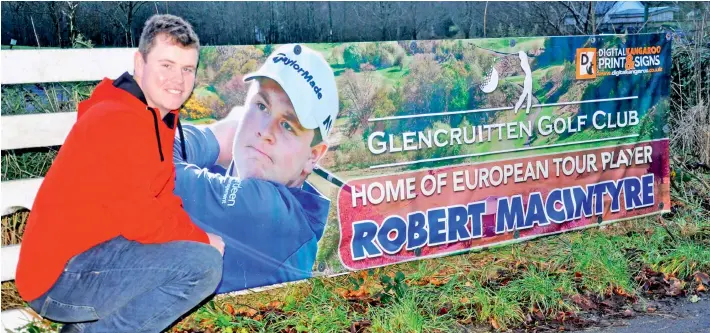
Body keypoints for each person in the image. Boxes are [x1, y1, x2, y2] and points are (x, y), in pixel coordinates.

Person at [15, 14, 224, 333]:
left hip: (93, 258)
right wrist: (203, 241)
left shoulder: (155, 118)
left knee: (196, 253)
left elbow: (162, 200)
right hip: (58, 276)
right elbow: (142, 219)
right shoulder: (115, 120)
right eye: (166, 65)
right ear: (139, 64)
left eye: (187, 69)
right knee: (203, 267)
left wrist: (197, 237)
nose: (178, 80)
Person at [173, 44, 339, 293]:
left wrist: (215, 138)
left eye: (287, 125)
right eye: (261, 106)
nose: (265, 131)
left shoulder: (267, 211)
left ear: (312, 156)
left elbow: (145, 161)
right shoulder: (237, 178)